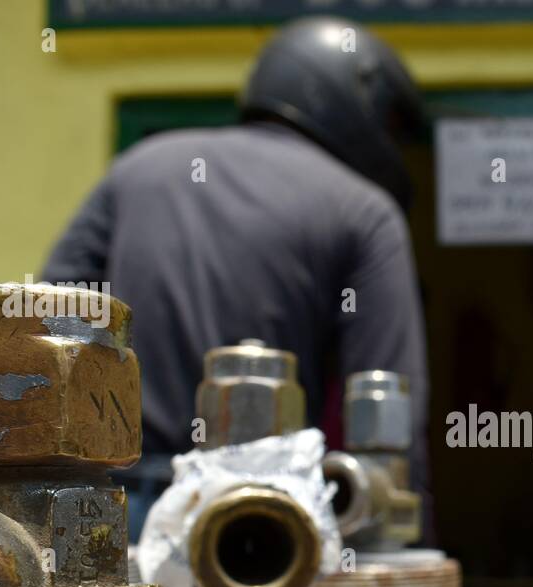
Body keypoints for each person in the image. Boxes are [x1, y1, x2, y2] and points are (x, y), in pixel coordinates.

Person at [40, 17, 430, 540]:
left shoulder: (139, 169)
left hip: (108, 518)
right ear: (356, 96)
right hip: (260, 528)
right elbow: (388, 407)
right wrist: (405, 544)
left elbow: (44, 325)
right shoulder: (364, 212)